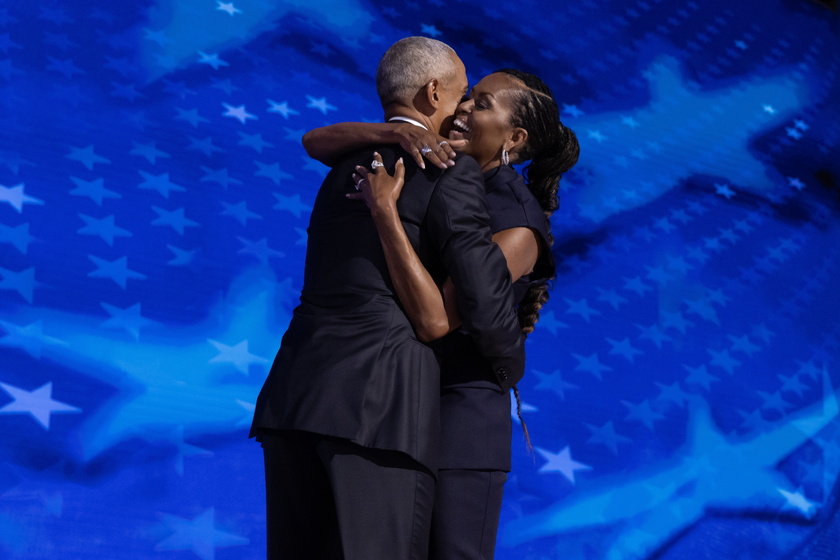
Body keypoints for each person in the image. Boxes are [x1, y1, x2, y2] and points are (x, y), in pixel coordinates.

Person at [250, 38, 526, 560]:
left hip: (296, 394)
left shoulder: (342, 160)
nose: (464, 110)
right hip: (379, 407)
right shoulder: (450, 171)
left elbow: (312, 139)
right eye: (461, 94)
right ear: (432, 92)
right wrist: (507, 360)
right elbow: (448, 314)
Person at [303, 69, 580, 559]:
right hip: (404, 403)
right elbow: (317, 141)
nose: (466, 107)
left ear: (514, 138)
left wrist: (384, 214)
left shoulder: (517, 223)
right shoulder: (441, 166)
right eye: (469, 96)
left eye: (484, 103)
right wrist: (393, 130)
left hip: (460, 421)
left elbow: (437, 319)